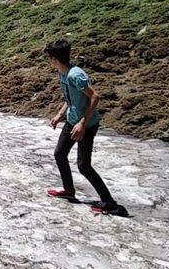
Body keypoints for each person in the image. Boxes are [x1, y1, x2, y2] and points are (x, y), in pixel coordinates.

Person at [45, 39, 127, 216]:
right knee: (60, 154)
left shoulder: (75, 75)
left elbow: (95, 97)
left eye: (49, 58)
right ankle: (68, 190)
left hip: (86, 125)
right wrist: (60, 115)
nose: (49, 61)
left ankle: (109, 202)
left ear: (54, 59)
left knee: (84, 165)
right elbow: (70, 99)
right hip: (72, 121)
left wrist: (82, 123)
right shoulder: (63, 72)